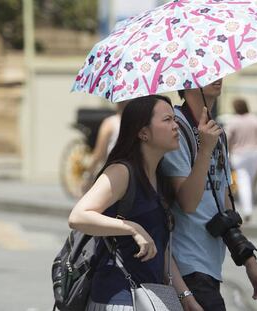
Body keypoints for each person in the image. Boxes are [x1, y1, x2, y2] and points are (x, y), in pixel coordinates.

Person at [68, 95, 202, 310]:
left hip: (150, 297)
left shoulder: (160, 177)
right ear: (143, 132)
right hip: (118, 298)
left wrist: (186, 296)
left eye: (174, 119)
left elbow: (162, 246)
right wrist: (132, 228)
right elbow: (78, 216)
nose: (175, 126)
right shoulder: (122, 172)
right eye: (167, 120)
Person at [161, 79, 257, 311]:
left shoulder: (216, 130)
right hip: (186, 264)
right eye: (205, 73)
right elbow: (188, 203)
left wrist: (248, 259)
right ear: (187, 80)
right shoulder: (176, 130)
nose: (217, 77)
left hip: (210, 263)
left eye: (217, 71)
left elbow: (224, 203)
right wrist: (205, 150)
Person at [225, 98, 257, 222]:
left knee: (244, 181)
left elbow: (227, 138)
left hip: (239, 154)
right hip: (255, 152)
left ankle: (247, 210)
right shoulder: (255, 119)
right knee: (250, 181)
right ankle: (249, 206)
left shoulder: (233, 121)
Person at [82, 101, 128, 194]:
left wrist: (88, 175)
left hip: (112, 175)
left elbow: (99, 154)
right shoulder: (139, 124)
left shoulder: (110, 123)